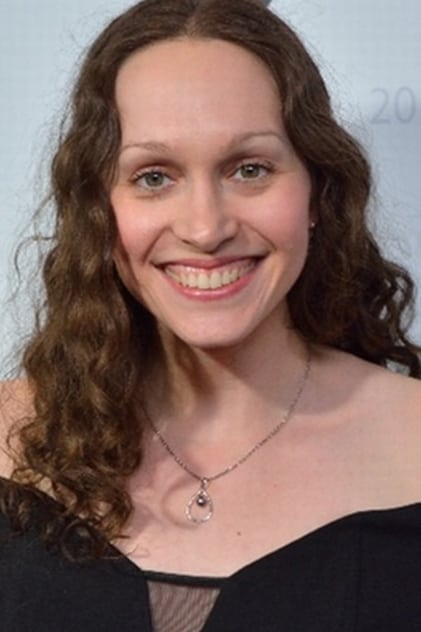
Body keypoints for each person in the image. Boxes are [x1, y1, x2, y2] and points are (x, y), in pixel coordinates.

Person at [1, 0, 421, 629]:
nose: (205, 228)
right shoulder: (8, 439)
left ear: (316, 192)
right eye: (153, 177)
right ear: (99, 209)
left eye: (249, 170)